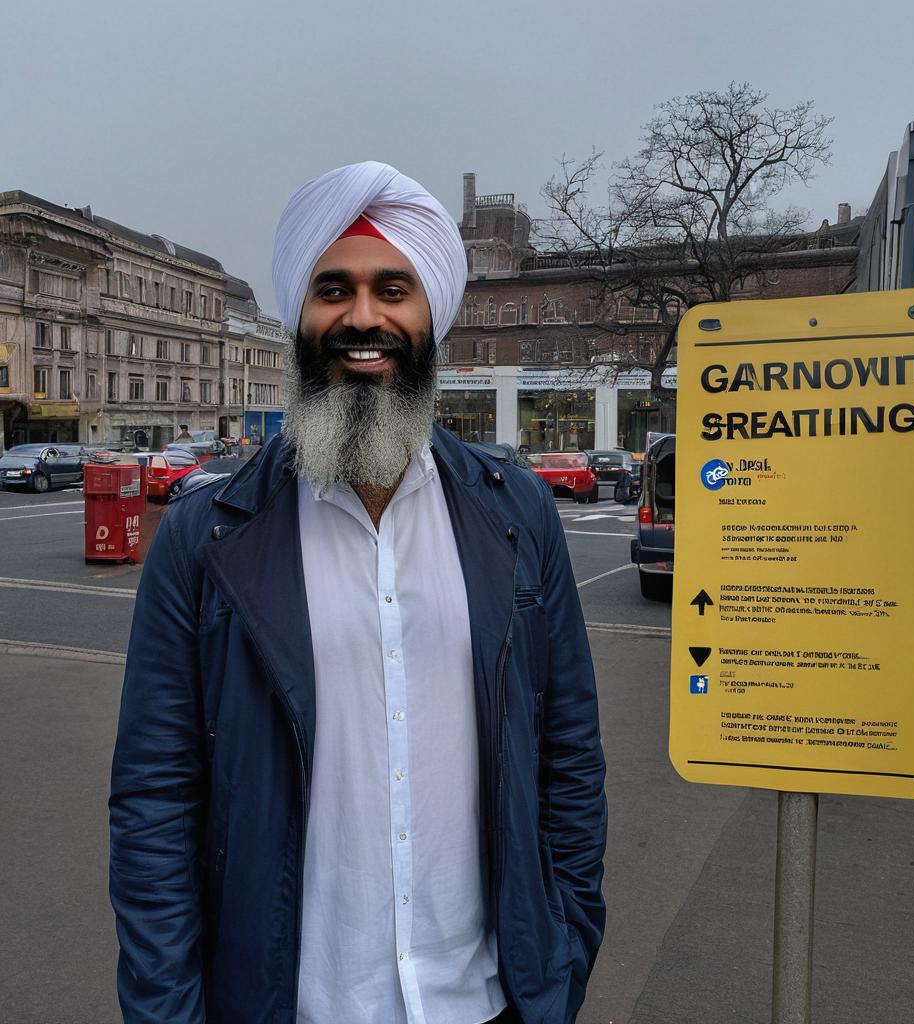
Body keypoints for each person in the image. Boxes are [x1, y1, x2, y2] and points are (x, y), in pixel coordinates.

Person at [109, 161, 607, 1024]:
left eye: (393, 289)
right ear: (301, 317)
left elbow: (568, 759)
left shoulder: (514, 511)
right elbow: (155, 799)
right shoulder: (207, 534)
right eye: (332, 289)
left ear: (432, 313)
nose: (363, 318)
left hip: (484, 1001)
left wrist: (562, 956)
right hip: (290, 1001)